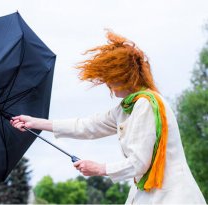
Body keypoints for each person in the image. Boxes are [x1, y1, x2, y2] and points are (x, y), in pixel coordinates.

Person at [10, 31, 206, 204]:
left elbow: (139, 163)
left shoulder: (145, 104)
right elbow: (87, 126)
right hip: (150, 194)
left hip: (172, 196)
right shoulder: (127, 108)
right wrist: (36, 123)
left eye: (109, 77)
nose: (107, 83)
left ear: (124, 75)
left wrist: (99, 168)